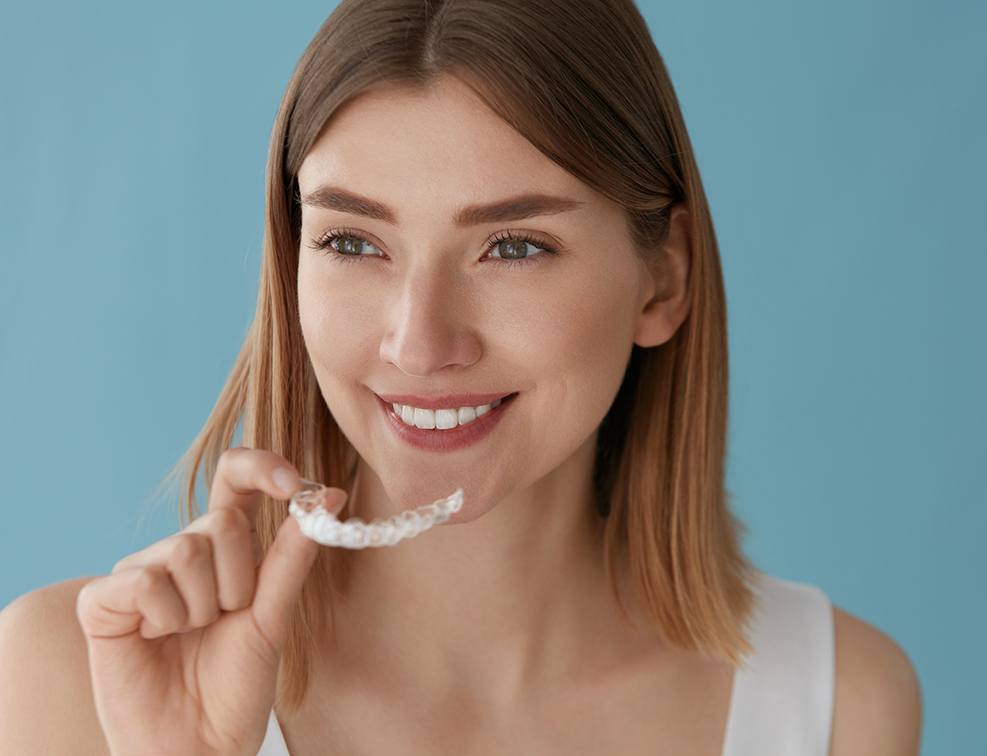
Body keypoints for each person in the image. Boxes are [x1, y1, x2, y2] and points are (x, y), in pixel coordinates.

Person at [0, 0, 923, 754]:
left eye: (513, 246)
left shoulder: (838, 705)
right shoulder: (71, 680)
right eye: (352, 241)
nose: (419, 342)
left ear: (663, 279)